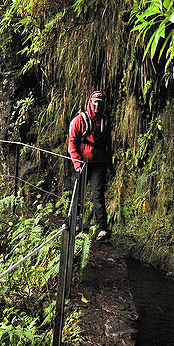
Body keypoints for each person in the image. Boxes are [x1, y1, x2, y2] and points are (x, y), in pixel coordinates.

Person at [68, 90, 113, 240]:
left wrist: (108, 164)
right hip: (82, 162)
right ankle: (74, 222)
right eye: (95, 103)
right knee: (78, 194)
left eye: (100, 104)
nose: (97, 106)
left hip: (99, 162)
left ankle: (101, 228)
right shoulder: (79, 120)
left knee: (98, 195)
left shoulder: (105, 122)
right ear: (90, 103)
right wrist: (76, 162)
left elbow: (108, 144)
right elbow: (72, 143)